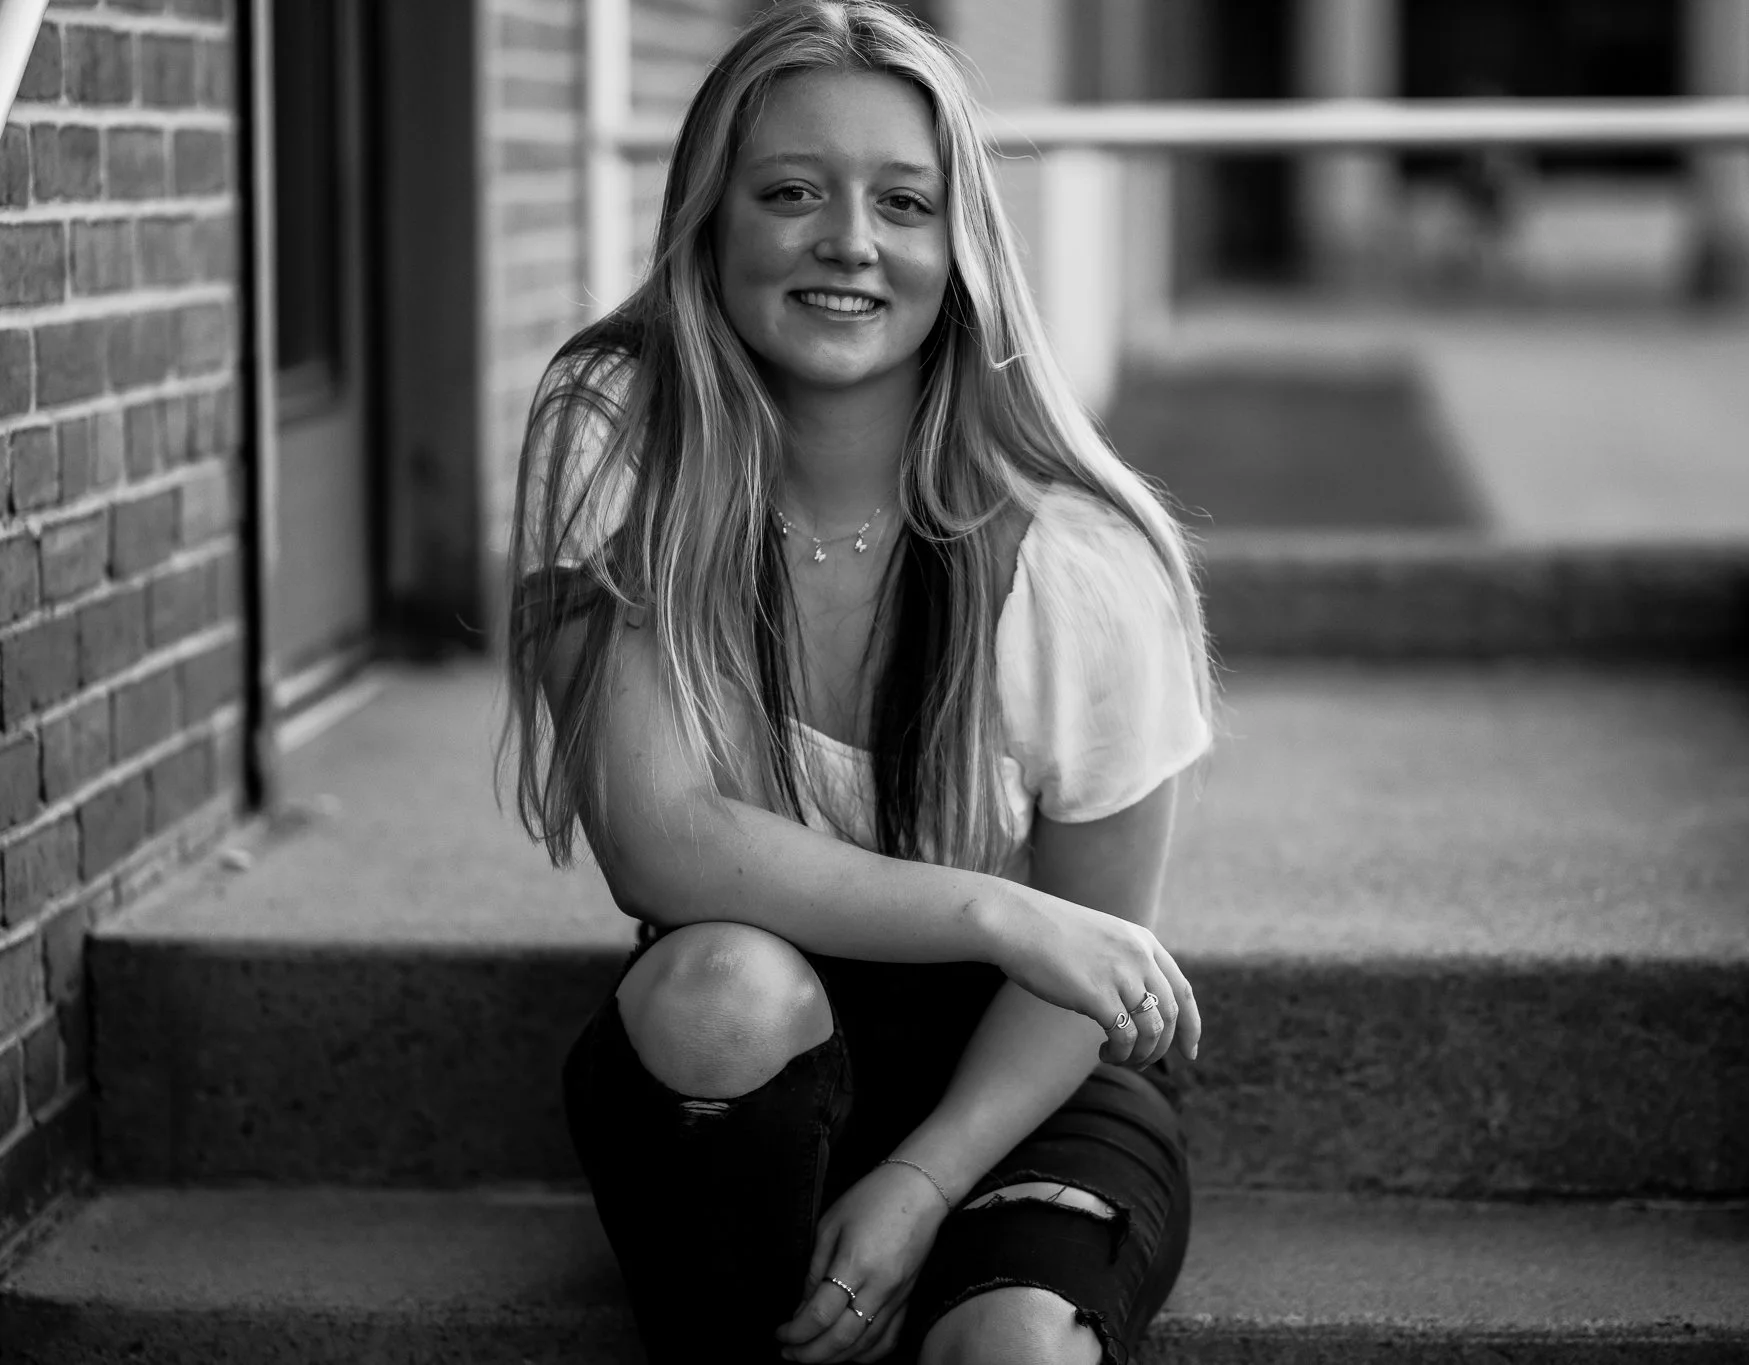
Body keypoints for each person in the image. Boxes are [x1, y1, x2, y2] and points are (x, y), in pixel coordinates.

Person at [502, 3, 1216, 1361]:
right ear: (711, 221)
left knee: (1006, 1355)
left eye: (904, 201)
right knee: (722, 987)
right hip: (737, 1072)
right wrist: (1000, 910)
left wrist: (924, 1177)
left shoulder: (1077, 561)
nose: (850, 242)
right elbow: (661, 846)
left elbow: (1086, 975)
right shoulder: (622, 460)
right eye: (789, 194)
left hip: (1020, 1081)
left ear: (962, 249)